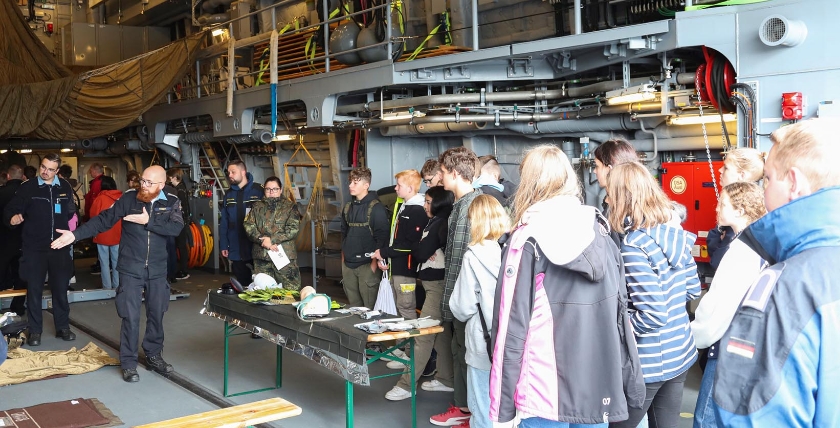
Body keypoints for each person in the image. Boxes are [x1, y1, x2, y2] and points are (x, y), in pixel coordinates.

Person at [490, 145, 644, 428]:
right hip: (597, 388)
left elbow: (511, 328)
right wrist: (629, 382)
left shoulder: (526, 240)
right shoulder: (600, 230)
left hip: (543, 395)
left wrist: (502, 409)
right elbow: (620, 315)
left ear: (529, 182)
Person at [712, 119, 840, 426]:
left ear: (793, 183)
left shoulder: (785, 290)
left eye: (768, 179)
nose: (764, 192)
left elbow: (752, 415)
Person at [51, 166, 184, 383]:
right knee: (130, 316)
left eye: (149, 183)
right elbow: (104, 219)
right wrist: (75, 235)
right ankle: (129, 363)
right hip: (131, 268)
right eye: (142, 180)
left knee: (157, 314)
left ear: (161, 185)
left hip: (158, 270)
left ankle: (153, 355)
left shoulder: (171, 200)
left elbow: (176, 228)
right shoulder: (129, 199)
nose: (143, 185)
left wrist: (148, 221)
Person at [606, 162, 701, 428]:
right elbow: (692, 288)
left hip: (648, 363)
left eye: (610, 194)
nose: (608, 200)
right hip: (680, 352)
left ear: (622, 198)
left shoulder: (634, 245)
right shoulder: (674, 234)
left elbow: (653, 315)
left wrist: (619, 324)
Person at [690, 182, 766, 428]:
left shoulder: (741, 252)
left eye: (722, 204)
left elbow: (718, 308)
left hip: (726, 348)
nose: (717, 208)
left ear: (741, 210)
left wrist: (692, 335)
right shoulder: (761, 242)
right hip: (750, 345)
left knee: (706, 420)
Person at [385, 186, 455, 400]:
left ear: (438, 203)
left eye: (428, 201)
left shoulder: (440, 223)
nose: (425, 205)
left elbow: (421, 252)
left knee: (422, 336)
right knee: (441, 335)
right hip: (431, 284)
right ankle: (446, 379)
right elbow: (421, 250)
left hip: (436, 286)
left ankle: (407, 385)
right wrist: (421, 247)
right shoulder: (433, 222)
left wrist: (420, 247)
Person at [429, 146, 482, 427]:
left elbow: (460, 261)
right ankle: (465, 407)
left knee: (465, 353)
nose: (439, 177)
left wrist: (451, 304)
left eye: (442, 171)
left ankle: (467, 410)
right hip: (465, 298)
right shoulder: (464, 204)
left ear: (454, 173)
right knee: (460, 351)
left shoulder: (468, 208)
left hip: (466, 299)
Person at [3, 154, 77, 346]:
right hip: (34, 249)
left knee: (60, 289)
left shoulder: (64, 187)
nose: (45, 172)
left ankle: (63, 327)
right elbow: (10, 209)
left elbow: (70, 211)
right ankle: (35, 331)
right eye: (43, 167)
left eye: (50, 169)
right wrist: (12, 218)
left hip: (59, 247)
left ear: (57, 171)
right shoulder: (27, 187)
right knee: (34, 290)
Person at [450, 195, 509, 428]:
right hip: (511, 340)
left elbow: (462, 307)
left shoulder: (473, 256)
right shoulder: (512, 251)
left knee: (482, 405)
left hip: (483, 341)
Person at [373, 169, 427, 320]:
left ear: (410, 188)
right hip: (396, 268)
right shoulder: (404, 207)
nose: (395, 188)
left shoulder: (417, 211)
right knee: (396, 310)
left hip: (406, 271)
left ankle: (410, 336)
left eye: (399, 185)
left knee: (405, 309)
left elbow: (410, 244)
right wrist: (387, 258)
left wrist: (384, 252)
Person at [706, 148, 764, 270]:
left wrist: (719, 237)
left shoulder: (738, 221)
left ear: (742, 175)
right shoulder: (755, 204)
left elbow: (717, 261)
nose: (720, 170)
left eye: (726, 168)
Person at [341, 167, 389, 309]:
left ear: (366, 185)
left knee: (370, 309)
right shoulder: (348, 207)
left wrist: (374, 265)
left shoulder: (376, 208)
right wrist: (343, 260)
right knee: (354, 308)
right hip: (348, 265)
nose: (350, 185)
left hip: (367, 266)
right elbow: (343, 234)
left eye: (355, 183)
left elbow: (382, 237)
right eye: (350, 182)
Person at [243, 176, 301, 290]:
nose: (271, 192)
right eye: (268, 189)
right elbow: (248, 225)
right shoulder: (256, 206)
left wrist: (272, 240)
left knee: (289, 290)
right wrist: (262, 239)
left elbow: (293, 229)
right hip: (262, 256)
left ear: (280, 190)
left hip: (283, 256)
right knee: (263, 291)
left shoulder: (290, 207)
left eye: (275, 189)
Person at [220, 160, 264, 288]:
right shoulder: (228, 195)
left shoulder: (259, 191)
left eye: (233, 172)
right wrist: (224, 244)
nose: (230, 175)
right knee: (243, 284)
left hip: (256, 246)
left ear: (243, 172)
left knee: (262, 283)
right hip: (236, 246)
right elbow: (224, 222)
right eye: (229, 172)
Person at [89, 176, 123, 291]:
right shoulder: (121, 197)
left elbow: (93, 215)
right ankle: (117, 286)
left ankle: (107, 287)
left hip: (102, 233)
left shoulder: (100, 198)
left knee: (104, 262)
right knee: (117, 261)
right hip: (118, 233)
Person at [0, 165, 26, 315]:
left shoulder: (2, 193)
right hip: (23, 241)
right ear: (22, 177)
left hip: (3, 241)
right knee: (21, 276)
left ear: (8, 176)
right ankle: (18, 306)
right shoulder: (27, 194)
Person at [167, 168, 192, 280]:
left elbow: (182, 207)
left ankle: (183, 271)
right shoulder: (181, 188)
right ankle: (182, 269)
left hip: (181, 221)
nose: (169, 179)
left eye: (170, 177)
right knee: (180, 245)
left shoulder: (179, 191)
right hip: (183, 220)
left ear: (174, 177)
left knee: (181, 246)